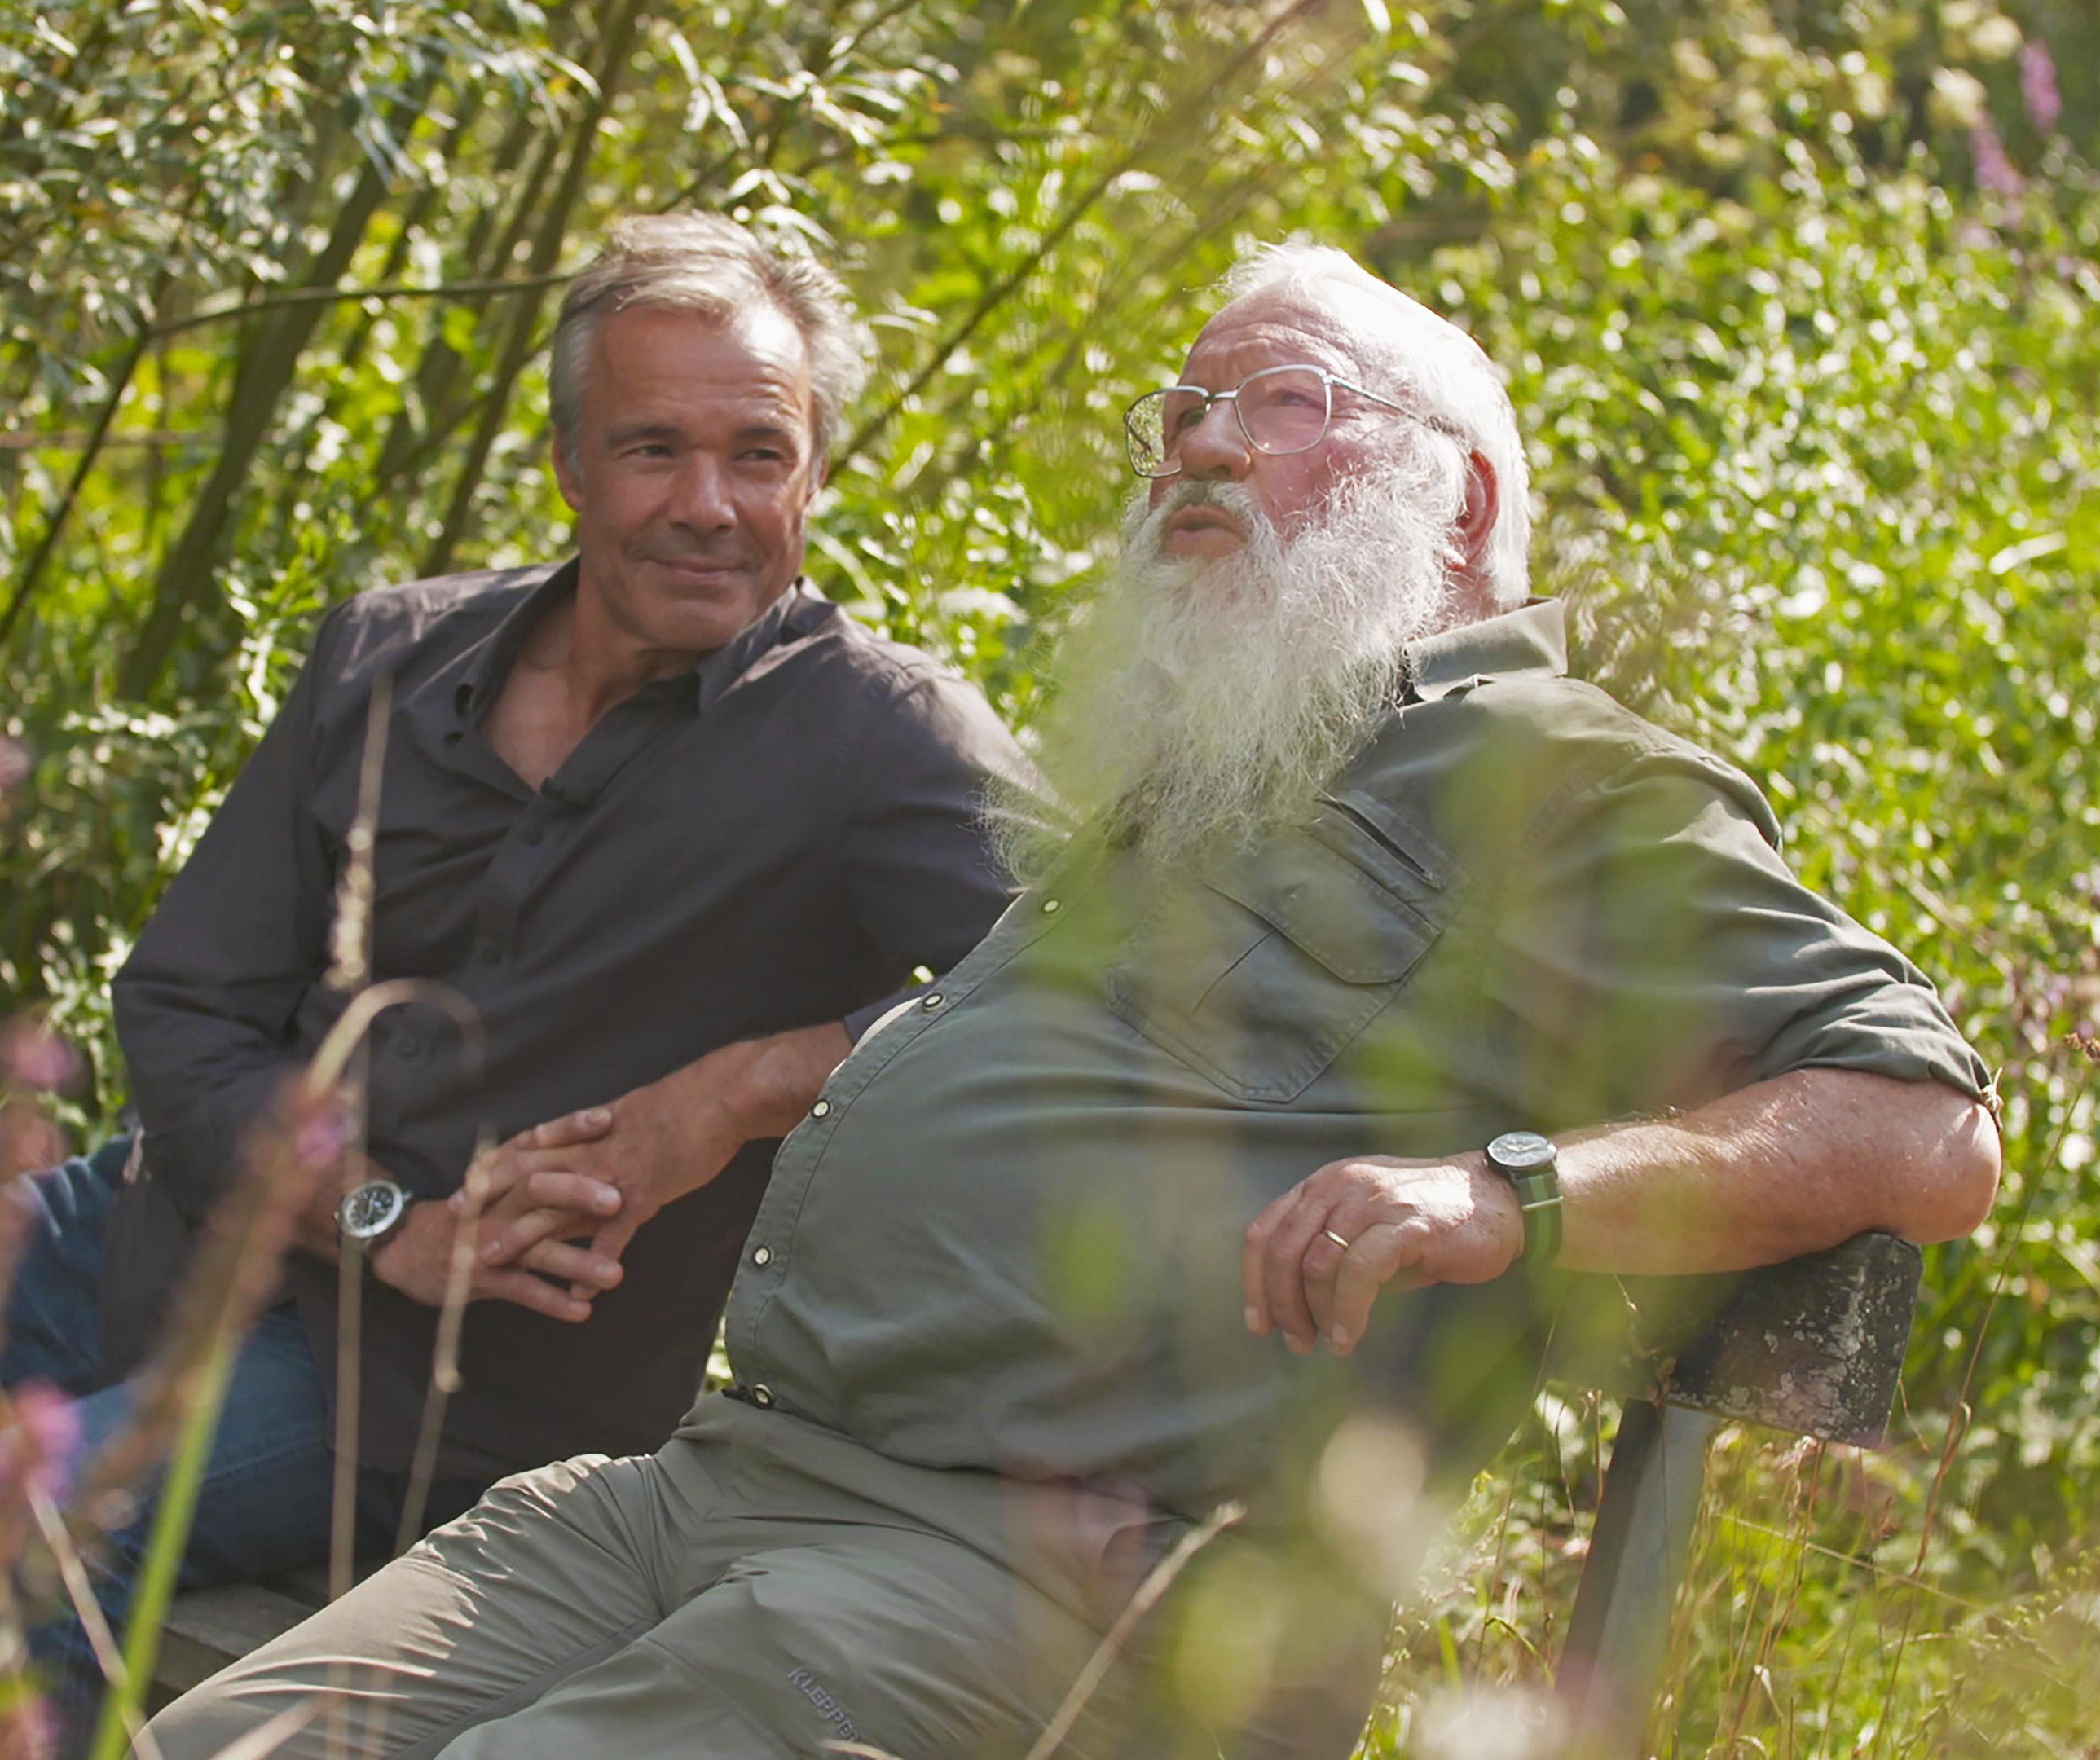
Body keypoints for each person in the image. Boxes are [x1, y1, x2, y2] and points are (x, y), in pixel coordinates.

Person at [139, 242, 2002, 1760]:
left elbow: (1925, 1126)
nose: (1195, 446)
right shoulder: (1222, 764)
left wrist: (1494, 1192)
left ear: (1466, 499)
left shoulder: (1556, 777)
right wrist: (738, 1091)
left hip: (1058, 1585)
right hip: (723, 1486)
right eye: (1182, 407)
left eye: (1278, 403)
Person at [0, 212, 1034, 1734]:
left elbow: (1079, 978)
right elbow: (181, 1005)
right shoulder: (388, 657)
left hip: (449, 1389)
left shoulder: (881, 741)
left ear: (816, 474)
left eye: (759, 454)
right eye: (652, 449)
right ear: (566, 465)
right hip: (172, 1217)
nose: (708, 506)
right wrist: (379, 1218)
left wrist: (746, 1088)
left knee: (7, 1534)